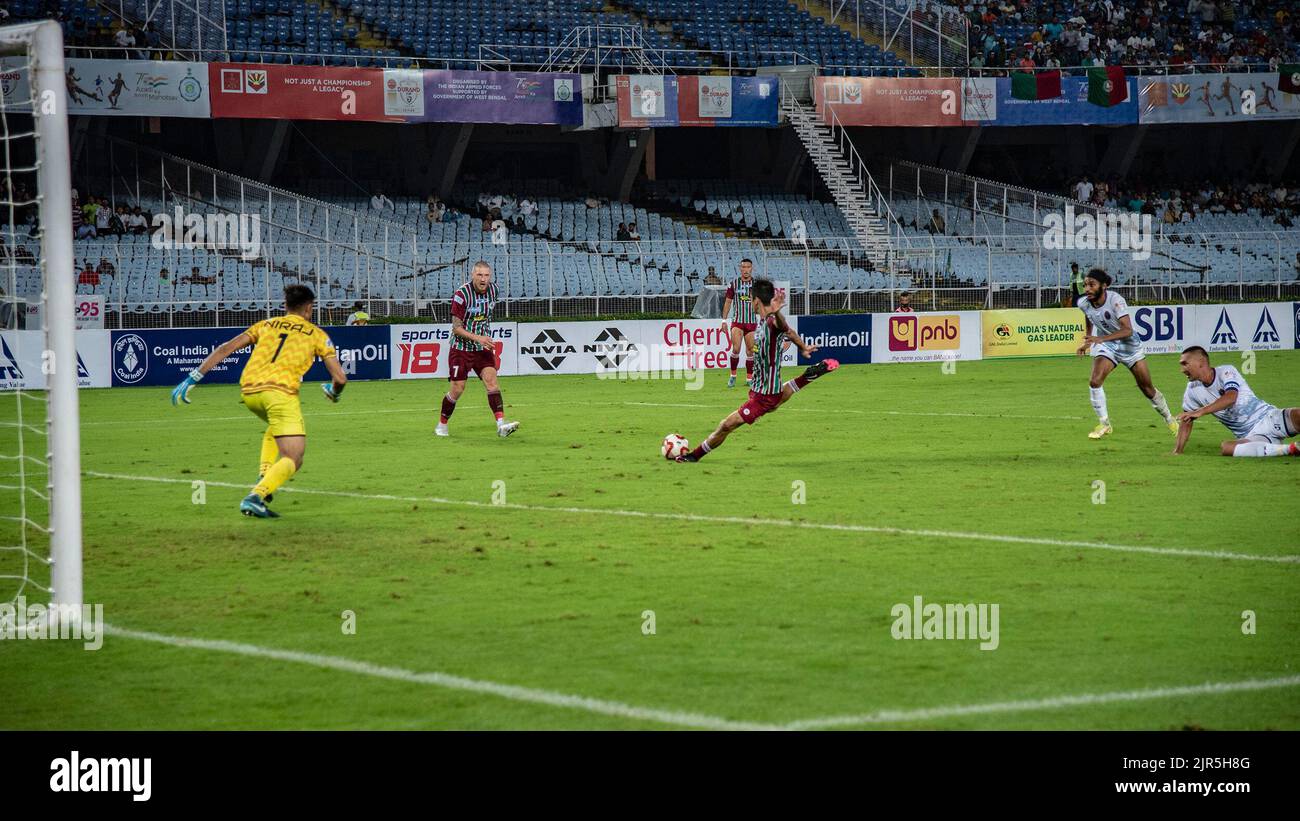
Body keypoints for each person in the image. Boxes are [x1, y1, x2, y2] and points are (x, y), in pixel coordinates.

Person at [169, 284, 348, 518]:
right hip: (280, 394)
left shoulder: (266, 325)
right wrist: (334, 392)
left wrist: (193, 377)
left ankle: (265, 472)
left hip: (250, 391)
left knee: (275, 428)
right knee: (294, 456)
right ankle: (256, 496)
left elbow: (226, 348)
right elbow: (340, 378)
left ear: (285, 306)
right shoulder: (316, 334)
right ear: (309, 308)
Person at [676, 279, 838, 462]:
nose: (750, 302)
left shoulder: (771, 321)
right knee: (776, 401)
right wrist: (803, 347)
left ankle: (694, 456)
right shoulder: (762, 321)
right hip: (765, 389)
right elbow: (790, 333)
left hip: (764, 396)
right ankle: (807, 377)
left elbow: (783, 326)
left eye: (751, 298)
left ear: (757, 301)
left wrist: (778, 313)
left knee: (726, 425)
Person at [1074, 268, 1177, 439]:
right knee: (1095, 381)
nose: (1087, 289)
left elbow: (1128, 330)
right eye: (1085, 285)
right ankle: (1104, 424)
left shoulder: (1116, 301)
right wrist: (1088, 340)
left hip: (1130, 347)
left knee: (1147, 388)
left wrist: (1101, 338)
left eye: (1092, 285)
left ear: (1104, 285)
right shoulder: (1083, 303)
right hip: (1107, 345)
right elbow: (1089, 315)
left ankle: (1169, 418)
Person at [436, 261, 520, 438]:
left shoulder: (494, 290)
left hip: (482, 349)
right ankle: (442, 425)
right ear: (473, 275)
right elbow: (456, 328)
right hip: (461, 348)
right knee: (458, 389)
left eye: (486, 275)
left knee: (492, 382)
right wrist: (478, 337)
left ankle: (501, 425)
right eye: (480, 275)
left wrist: (483, 337)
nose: (483, 279)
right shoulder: (462, 295)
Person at [1173, 347, 1298, 457]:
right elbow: (1186, 421)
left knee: (1298, 414)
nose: (1182, 369)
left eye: (1185, 364)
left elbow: (1231, 397)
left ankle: (1276, 449)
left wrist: (1200, 412)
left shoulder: (1226, 371)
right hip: (1250, 435)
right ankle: (1290, 449)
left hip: (1269, 417)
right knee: (1227, 448)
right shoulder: (1192, 390)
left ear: (1201, 362)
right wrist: (1178, 450)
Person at [720, 258, 758, 389]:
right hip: (737, 322)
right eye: (743, 267)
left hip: (752, 322)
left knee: (750, 352)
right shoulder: (734, 284)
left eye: (748, 267)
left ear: (751, 268)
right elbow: (728, 302)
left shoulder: (757, 284)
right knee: (736, 349)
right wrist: (724, 321)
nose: (746, 269)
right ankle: (733, 376)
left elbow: (762, 304)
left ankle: (749, 379)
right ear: (740, 268)